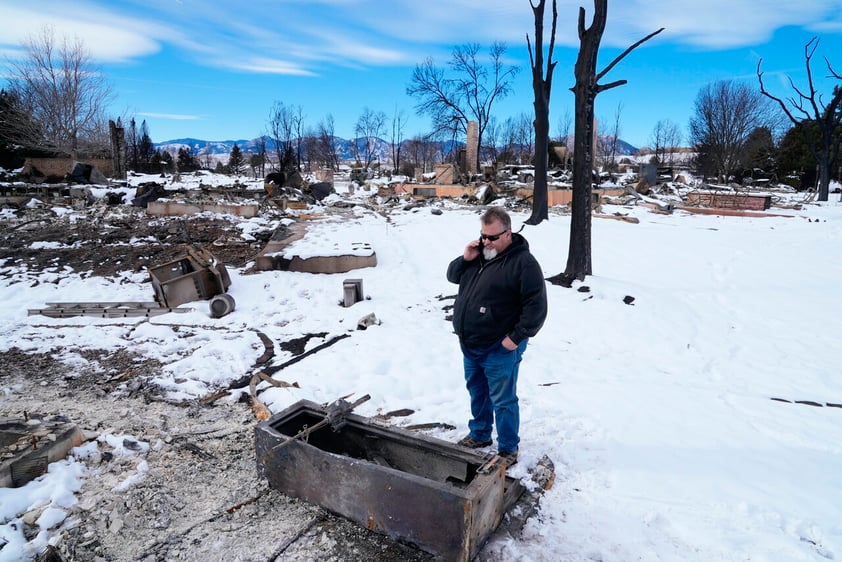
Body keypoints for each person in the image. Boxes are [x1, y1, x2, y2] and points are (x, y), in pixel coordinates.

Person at [446, 207, 548, 467]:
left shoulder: (524, 263)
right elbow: (452, 276)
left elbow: (536, 308)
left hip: (499, 347)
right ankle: (480, 434)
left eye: (492, 237)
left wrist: (514, 339)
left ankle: (507, 448)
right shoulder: (479, 255)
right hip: (471, 344)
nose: (486, 242)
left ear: (508, 233)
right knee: (477, 391)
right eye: (483, 236)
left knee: (503, 399)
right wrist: (465, 257)